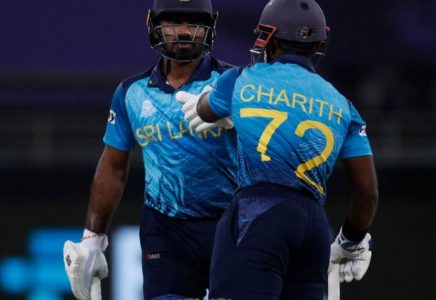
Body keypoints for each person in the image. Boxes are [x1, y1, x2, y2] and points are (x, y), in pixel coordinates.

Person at [176, 0, 379, 299]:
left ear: (267, 36)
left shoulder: (239, 80)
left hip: (257, 214)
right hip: (313, 225)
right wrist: (351, 241)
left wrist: (214, 102)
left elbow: (205, 111)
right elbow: (367, 191)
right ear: (319, 42)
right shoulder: (342, 105)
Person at [62, 0, 238, 299]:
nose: (183, 32)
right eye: (173, 22)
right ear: (153, 23)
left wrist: (241, 114)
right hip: (165, 231)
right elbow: (114, 166)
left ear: (210, 26)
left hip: (231, 223)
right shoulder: (132, 92)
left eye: (193, 23)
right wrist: (93, 236)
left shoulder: (235, 83)